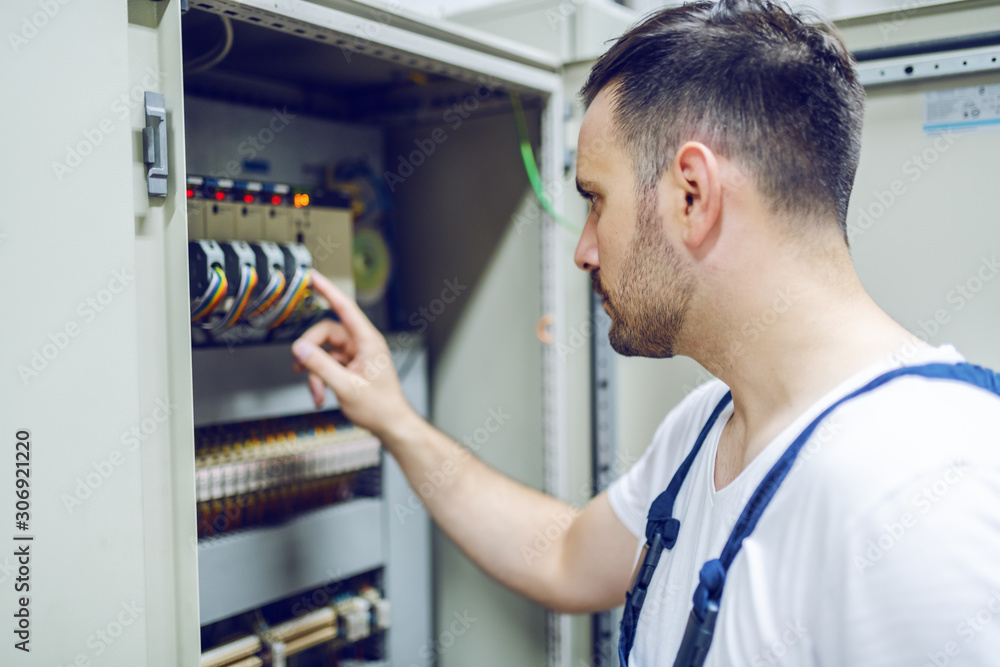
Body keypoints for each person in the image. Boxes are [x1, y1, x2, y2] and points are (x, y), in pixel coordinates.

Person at [291, 1, 1000, 664]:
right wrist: (392, 415)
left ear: (693, 194)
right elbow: (565, 554)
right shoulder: (710, 425)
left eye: (597, 200)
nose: (583, 249)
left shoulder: (930, 482)